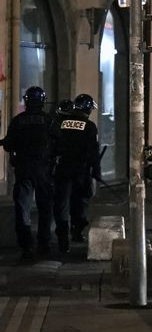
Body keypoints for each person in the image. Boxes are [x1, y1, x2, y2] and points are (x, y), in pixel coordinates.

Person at [3, 86, 59, 258]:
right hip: (43, 169)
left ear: (26, 101)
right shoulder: (48, 120)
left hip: (23, 169)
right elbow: (59, 143)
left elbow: (8, 145)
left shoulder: (18, 121)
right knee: (45, 207)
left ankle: (26, 245)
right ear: (42, 101)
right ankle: (44, 243)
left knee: (22, 207)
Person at [53, 94, 102, 251]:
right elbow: (93, 152)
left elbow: (53, 146)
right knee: (80, 203)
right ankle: (77, 231)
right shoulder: (89, 127)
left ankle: (62, 238)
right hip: (81, 171)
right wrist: (97, 171)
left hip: (63, 169)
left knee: (62, 205)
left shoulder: (61, 123)